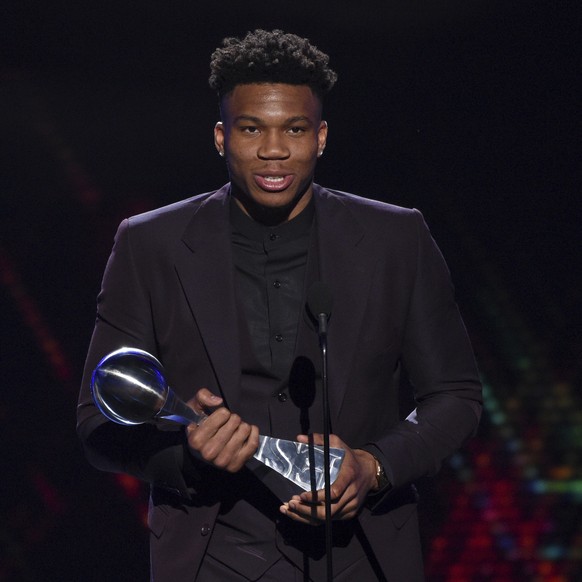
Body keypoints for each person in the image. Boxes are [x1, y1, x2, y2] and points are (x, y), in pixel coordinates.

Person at [77, 29, 482, 581]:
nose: (273, 150)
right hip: (213, 554)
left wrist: (375, 466)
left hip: (360, 553)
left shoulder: (396, 238)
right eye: (251, 129)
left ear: (320, 137)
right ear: (222, 138)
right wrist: (189, 459)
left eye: (294, 129)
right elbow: (96, 422)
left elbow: (455, 395)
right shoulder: (150, 244)